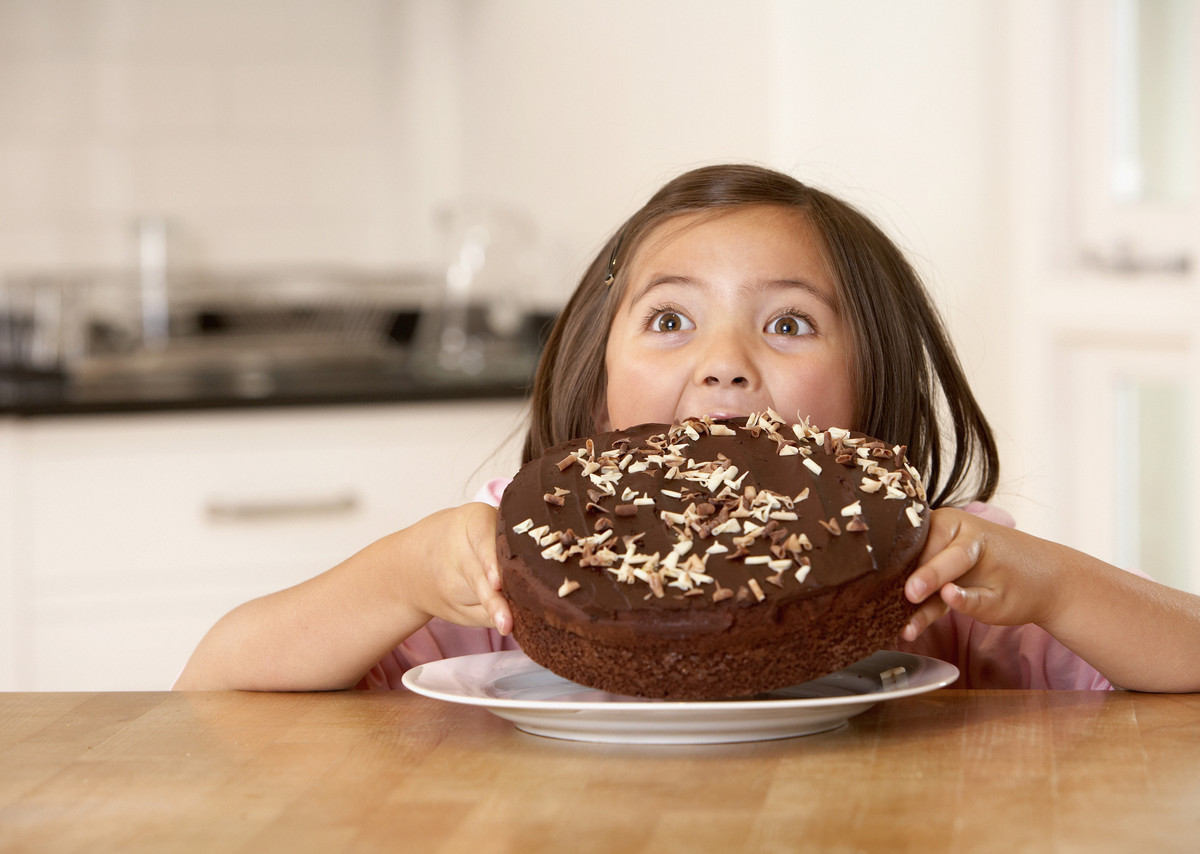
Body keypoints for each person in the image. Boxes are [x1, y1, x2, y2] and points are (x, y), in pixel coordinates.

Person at [174, 164, 1200, 693]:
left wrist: (1054, 584)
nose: (723, 359)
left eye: (788, 322)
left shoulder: (943, 569)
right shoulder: (510, 569)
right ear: (594, 384)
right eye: (670, 318)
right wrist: (401, 573)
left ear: (873, 383)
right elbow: (215, 680)